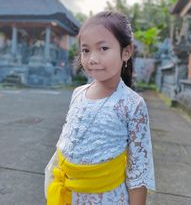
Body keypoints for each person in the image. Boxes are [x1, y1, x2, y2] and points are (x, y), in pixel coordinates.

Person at [46, 11, 155, 205]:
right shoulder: (78, 93)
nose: (92, 59)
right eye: (86, 50)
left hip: (106, 198)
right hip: (68, 194)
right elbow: (67, 140)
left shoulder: (132, 104)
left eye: (103, 48)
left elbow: (139, 170)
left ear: (126, 52)